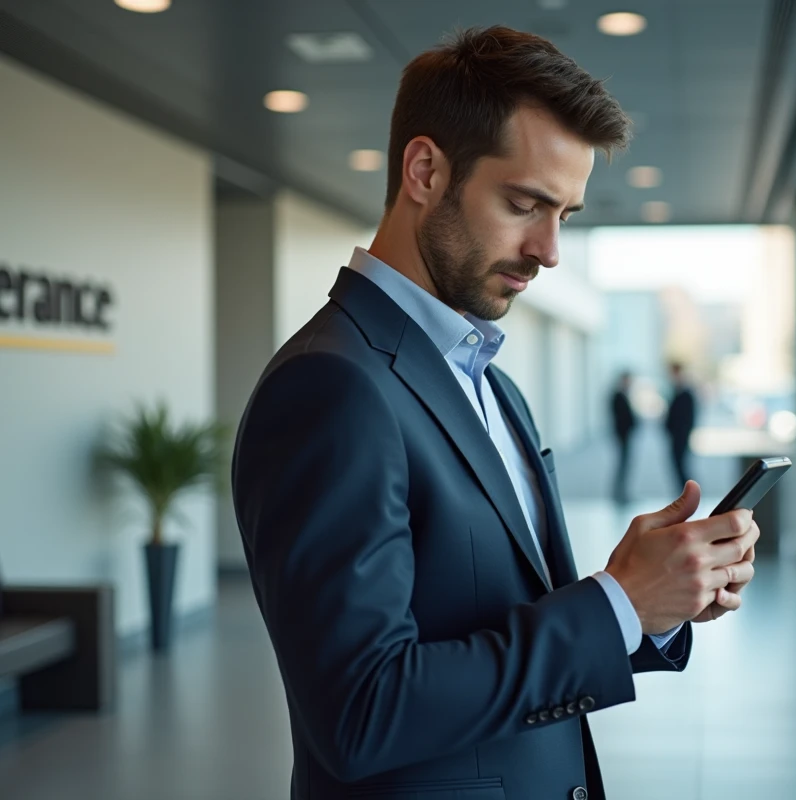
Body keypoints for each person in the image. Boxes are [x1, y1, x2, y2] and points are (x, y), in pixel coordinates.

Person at [231, 26, 759, 800]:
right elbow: (359, 712)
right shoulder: (330, 386)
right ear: (425, 171)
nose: (548, 250)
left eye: (566, 215)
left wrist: (653, 603)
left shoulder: (490, 382)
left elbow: (506, 623)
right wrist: (615, 604)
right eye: (524, 204)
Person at [665, 361, 697, 491]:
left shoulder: (685, 392)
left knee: (681, 465)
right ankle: (686, 492)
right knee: (677, 465)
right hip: (675, 435)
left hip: (680, 435)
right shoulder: (676, 390)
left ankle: (689, 492)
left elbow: (688, 417)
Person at [609, 370, 637, 504]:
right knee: (622, 465)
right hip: (622, 436)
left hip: (625, 435)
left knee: (625, 465)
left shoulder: (623, 395)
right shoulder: (618, 396)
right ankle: (619, 494)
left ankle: (621, 493)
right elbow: (622, 418)